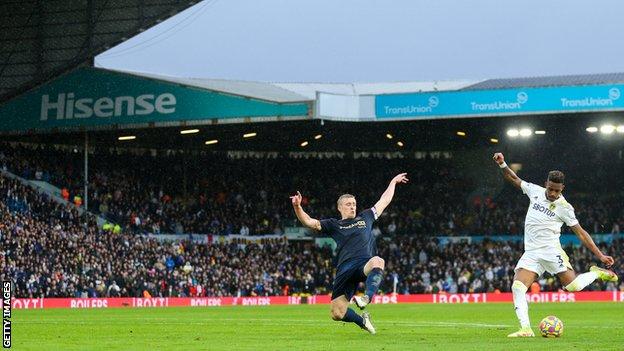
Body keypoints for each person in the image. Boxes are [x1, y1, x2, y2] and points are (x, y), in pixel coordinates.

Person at [493, 153, 618, 337]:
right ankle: (526, 329)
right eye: (550, 189)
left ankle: (595, 273)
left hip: (551, 251)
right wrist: (502, 163)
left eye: (557, 191)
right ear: (546, 184)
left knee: (573, 287)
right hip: (532, 252)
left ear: (562, 189)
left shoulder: (565, 208)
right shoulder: (534, 191)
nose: (553, 194)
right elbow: (513, 178)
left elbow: (581, 233)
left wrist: (599, 255)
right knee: (517, 287)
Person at [290, 173, 409, 334]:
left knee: (378, 261)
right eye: (348, 204)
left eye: (354, 203)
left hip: (363, 264)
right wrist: (297, 206)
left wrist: (393, 182)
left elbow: (384, 200)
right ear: (340, 207)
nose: (352, 206)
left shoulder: (365, 217)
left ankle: (366, 298)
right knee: (337, 313)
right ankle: (363, 320)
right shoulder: (334, 224)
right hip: (344, 270)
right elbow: (309, 222)